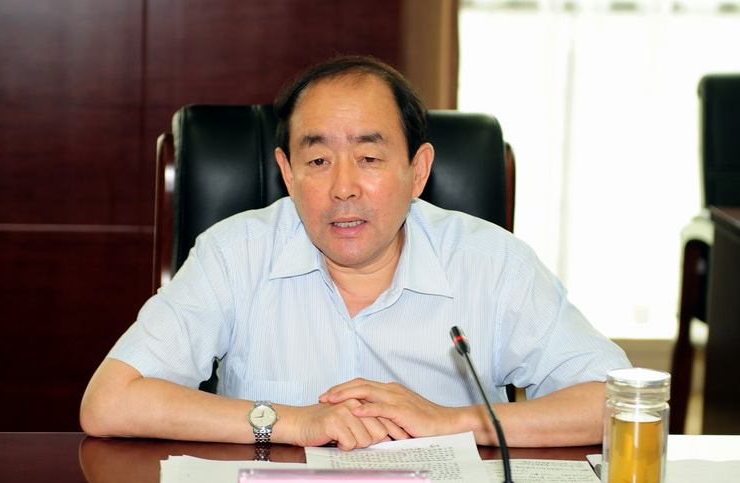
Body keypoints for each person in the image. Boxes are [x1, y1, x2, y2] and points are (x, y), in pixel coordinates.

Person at [80, 55, 630, 451]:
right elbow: (109, 403)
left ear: (417, 170)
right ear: (287, 173)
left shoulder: (494, 264)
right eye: (318, 161)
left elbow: (617, 403)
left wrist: (452, 422)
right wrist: (294, 423)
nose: (343, 188)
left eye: (369, 158)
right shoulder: (234, 254)